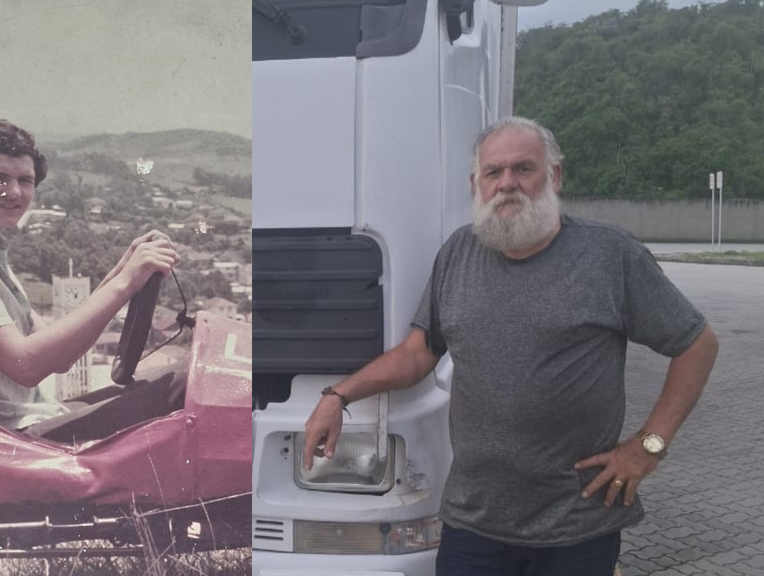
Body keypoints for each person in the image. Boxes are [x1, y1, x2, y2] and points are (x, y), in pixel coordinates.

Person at [302, 116, 718, 575]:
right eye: (493, 172)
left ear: (554, 176)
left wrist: (648, 446)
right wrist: (338, 395)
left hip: (576, 525)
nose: (507, 184)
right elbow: (418, 353)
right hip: (473, 522)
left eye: (523, 169)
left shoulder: (609, 255)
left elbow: (696, 344)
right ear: (476, 183)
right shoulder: (458, 253)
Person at [0, 119, 181, 442]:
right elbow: (26, 366)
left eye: (24, 181)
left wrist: (123, 271)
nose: (13, 192)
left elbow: (61, 356)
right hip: (8, 436)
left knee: (184, 376)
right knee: (185, 383)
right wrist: (125, 282)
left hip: (31, 419)